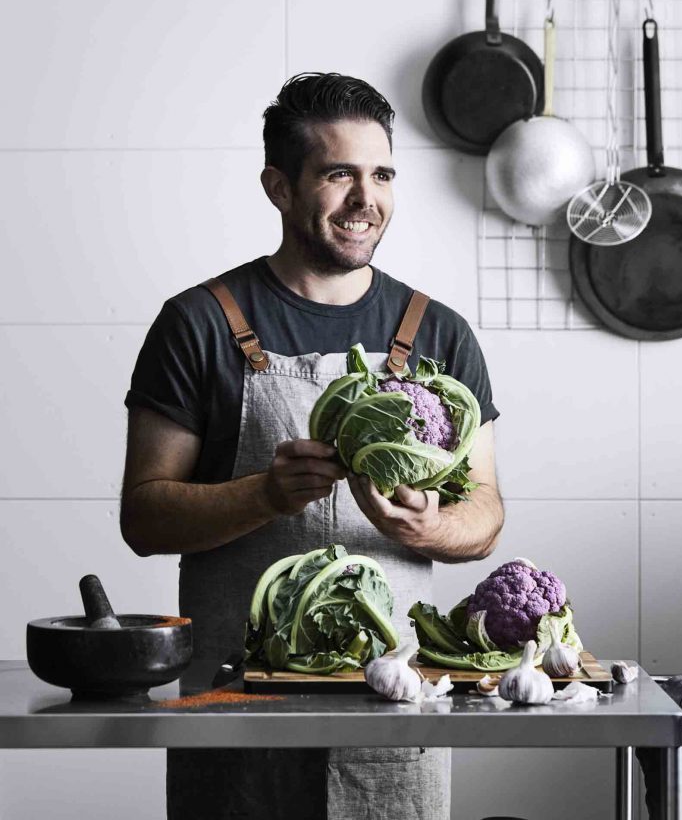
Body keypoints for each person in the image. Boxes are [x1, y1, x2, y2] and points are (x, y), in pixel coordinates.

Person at [120, 71, 504, 820]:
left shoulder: (440, 333)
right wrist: (264, 494)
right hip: (236, 712)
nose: (367, 199)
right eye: (338, 174)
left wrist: (428, 526)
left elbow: (485, 513)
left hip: (393, 714)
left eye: (382, 175)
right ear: (279, 187)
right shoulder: (198, 323)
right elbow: (144, 518)